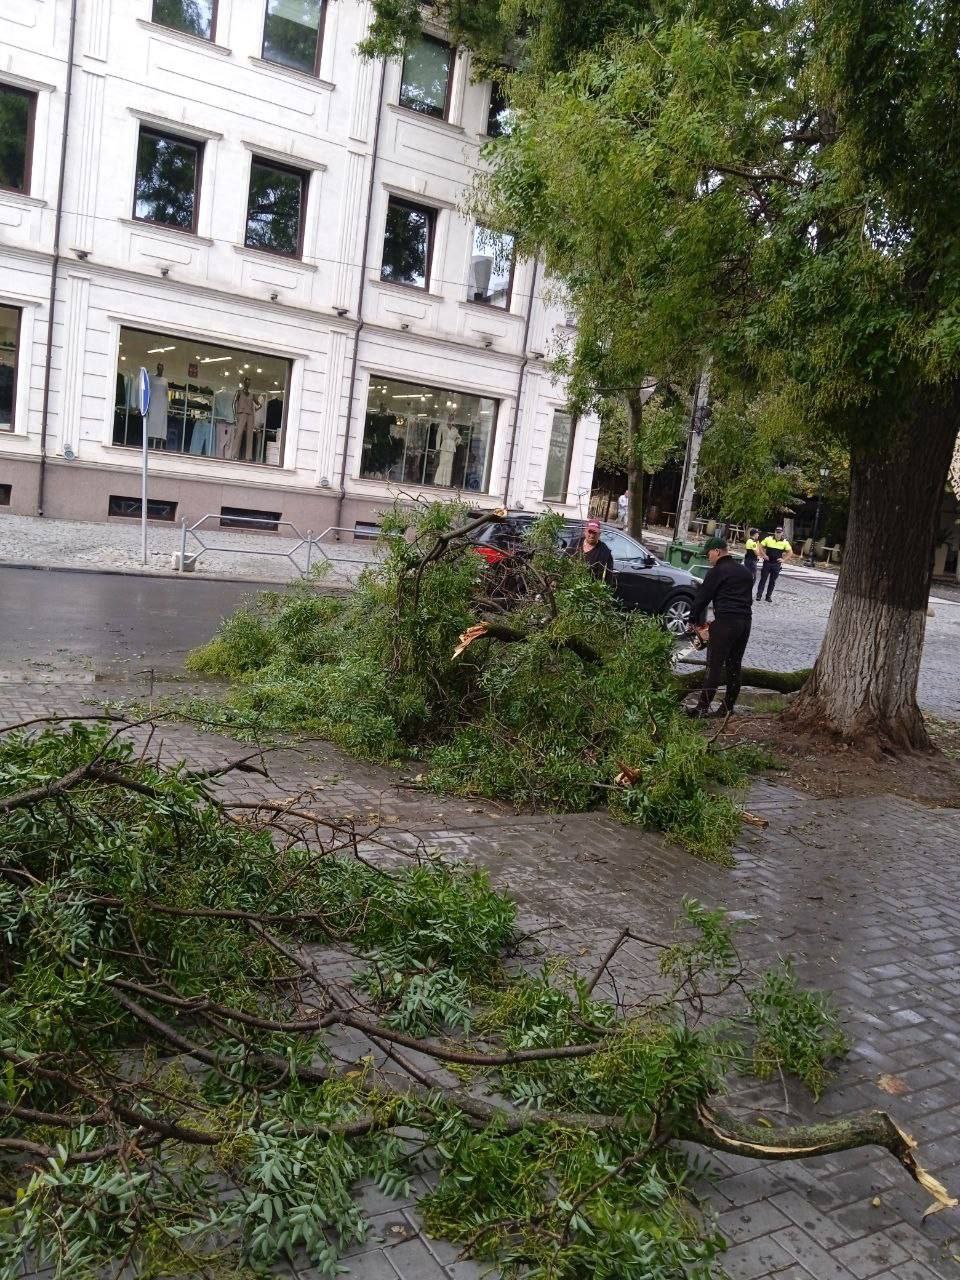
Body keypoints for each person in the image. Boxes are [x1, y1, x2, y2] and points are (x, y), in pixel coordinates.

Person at [686, 536, 753, 718]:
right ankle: (727, 707)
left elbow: (702, 599)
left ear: (717, 551)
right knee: (734, 665)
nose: (708, 557)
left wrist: (693, 621)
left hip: (725, 622)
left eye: (709, 554)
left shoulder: (717, 572)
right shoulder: (746, 572)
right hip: (745, 623)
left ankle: (701, 708)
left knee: (714, 666)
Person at [757, 525, 793, 602]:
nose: (778, 534)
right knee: (763, 579)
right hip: (767, 562)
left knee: (772, 581)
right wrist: (763, 555)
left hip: (776, 564)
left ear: (782, 533)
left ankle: (768, 596)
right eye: (777, 532)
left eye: (779, 533)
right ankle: (759, 596)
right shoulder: (768, 539)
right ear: (774, 532)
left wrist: (783, 559)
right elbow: (760, 546)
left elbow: (790, 552)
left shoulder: (785, 542)